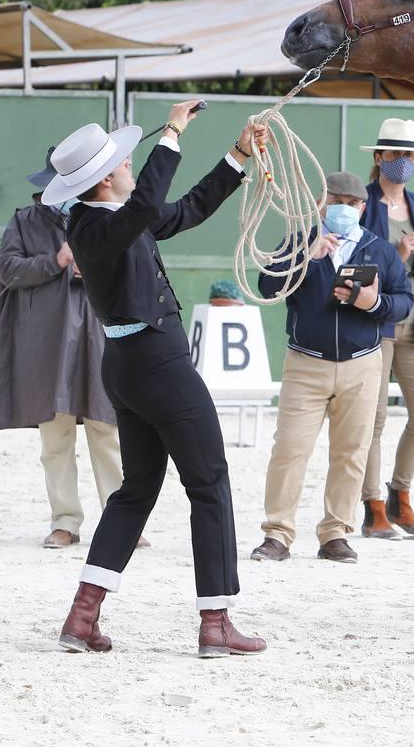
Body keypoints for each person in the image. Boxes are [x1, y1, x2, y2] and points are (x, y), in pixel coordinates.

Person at [43, 101, 267, 657]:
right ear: (106, 178)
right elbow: (147, 204)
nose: (127, 165)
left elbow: (185, 209)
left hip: (129, 367)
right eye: (121, 161)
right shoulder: (100, 225)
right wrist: (170, 133)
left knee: (137, 488)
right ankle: (215, 621)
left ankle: (82, 614)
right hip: (157, 362)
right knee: (209, 481)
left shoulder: (108, 221)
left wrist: (237, 155)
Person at [0, 149, 143, 550]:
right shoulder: (25, 221)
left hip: (99, 336)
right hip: (49, 344)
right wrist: (55, 260)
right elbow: (7, 268)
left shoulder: (109, 215)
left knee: (108, 429)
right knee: (56, 437)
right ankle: (65, 521)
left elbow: (136, 266)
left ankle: (120, 520)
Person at [251, 171, 412, 565]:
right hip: (306, 361)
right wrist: (306, 256)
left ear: (362, 207)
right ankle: (278, 533)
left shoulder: (380, 249)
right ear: (321, 203)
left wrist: (371, 303)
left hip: (362, 364)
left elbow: (403, 301)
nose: (343, 208)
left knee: (352, 452)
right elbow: (267, 285)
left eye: (351, 202)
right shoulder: (299, 241)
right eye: (335, 200)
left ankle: (336, 533)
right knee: (290, 449)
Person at [358, 118, 414, 539]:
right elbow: (357, 265)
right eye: (396, 155)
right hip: (377, 324)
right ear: (378, 158)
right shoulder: (363, 202)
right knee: (373, 419)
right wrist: (396, 254)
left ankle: (401, 494)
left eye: (410, 155)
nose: (404, 162)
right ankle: (372, 504)